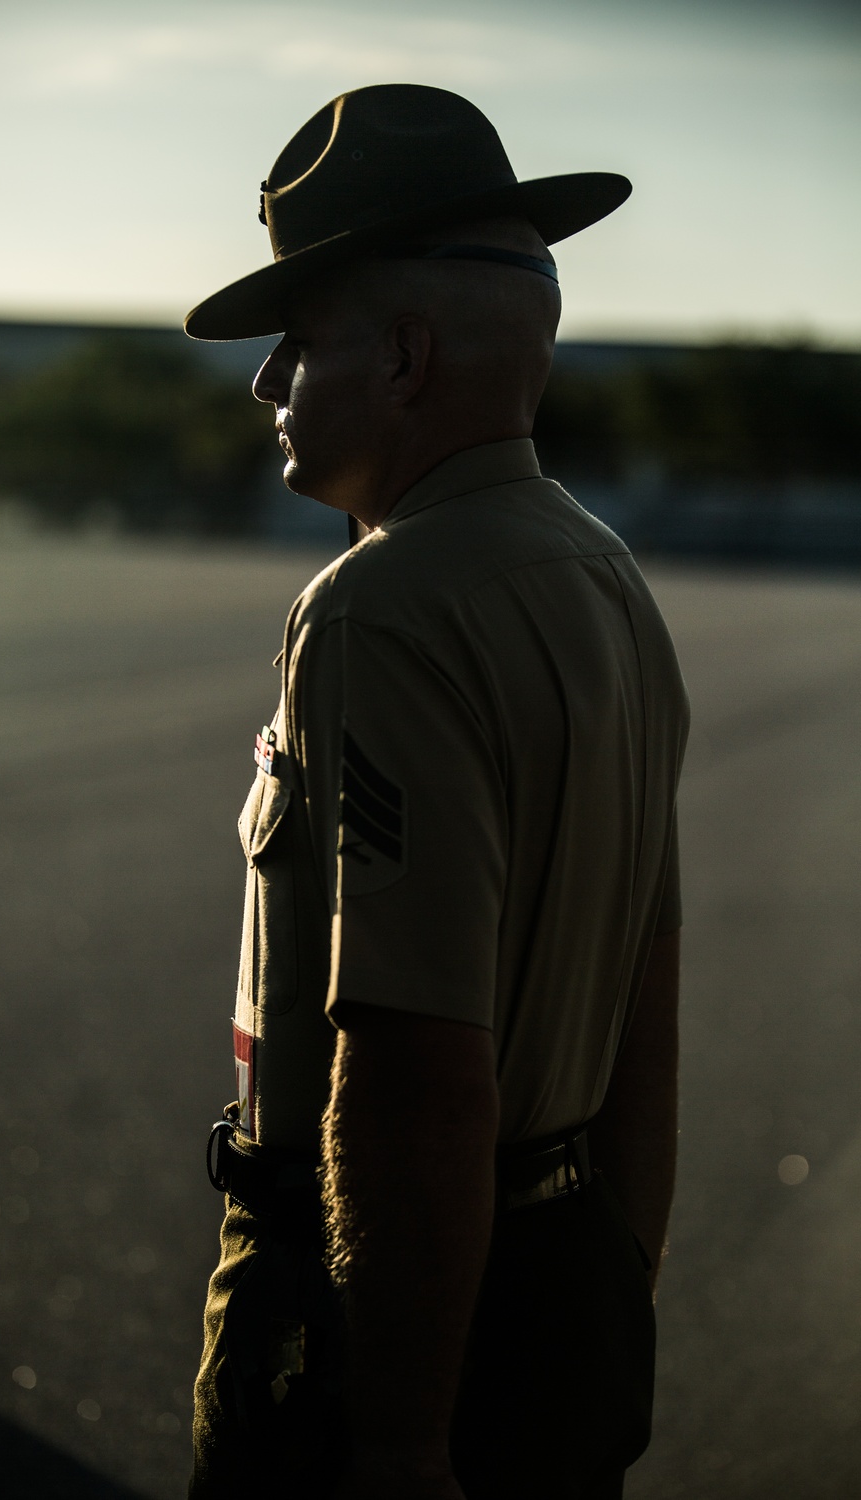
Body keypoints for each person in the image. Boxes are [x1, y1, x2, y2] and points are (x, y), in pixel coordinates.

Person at [184, 84, 689, 1500]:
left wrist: (399, 1439)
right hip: (559, 1283)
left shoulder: (381, 607)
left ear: (405, 356)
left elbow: (411, 1075)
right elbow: (648, 987)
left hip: (386, 1305)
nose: (267, 385)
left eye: (299, 340)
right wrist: (613, 1288)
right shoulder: (607, 582)